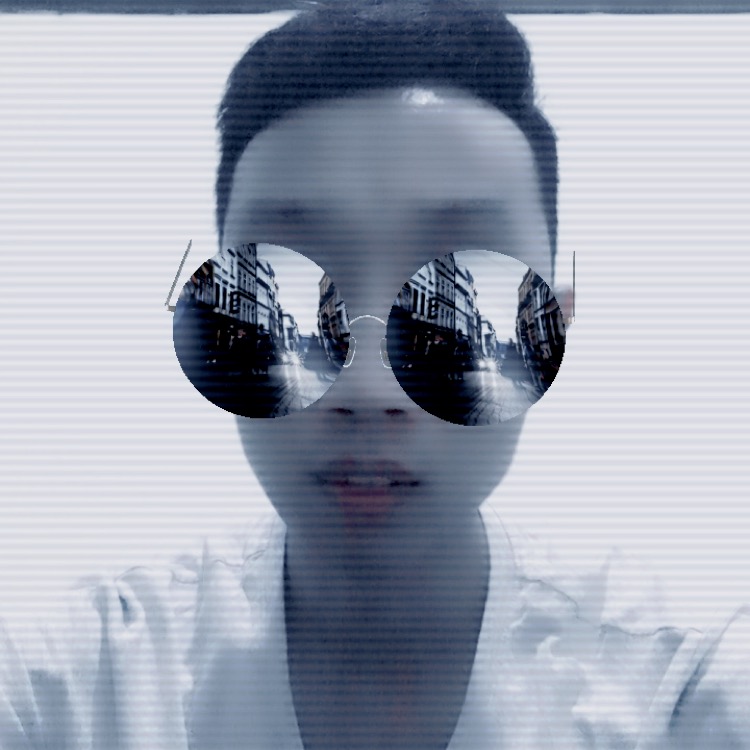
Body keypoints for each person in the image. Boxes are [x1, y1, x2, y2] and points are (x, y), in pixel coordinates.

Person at [1, 2, 748, 749]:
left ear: (555, 322)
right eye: (280, 296)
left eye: (464, 302)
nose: (368, 392)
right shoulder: (66, 692)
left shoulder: (685, 694)